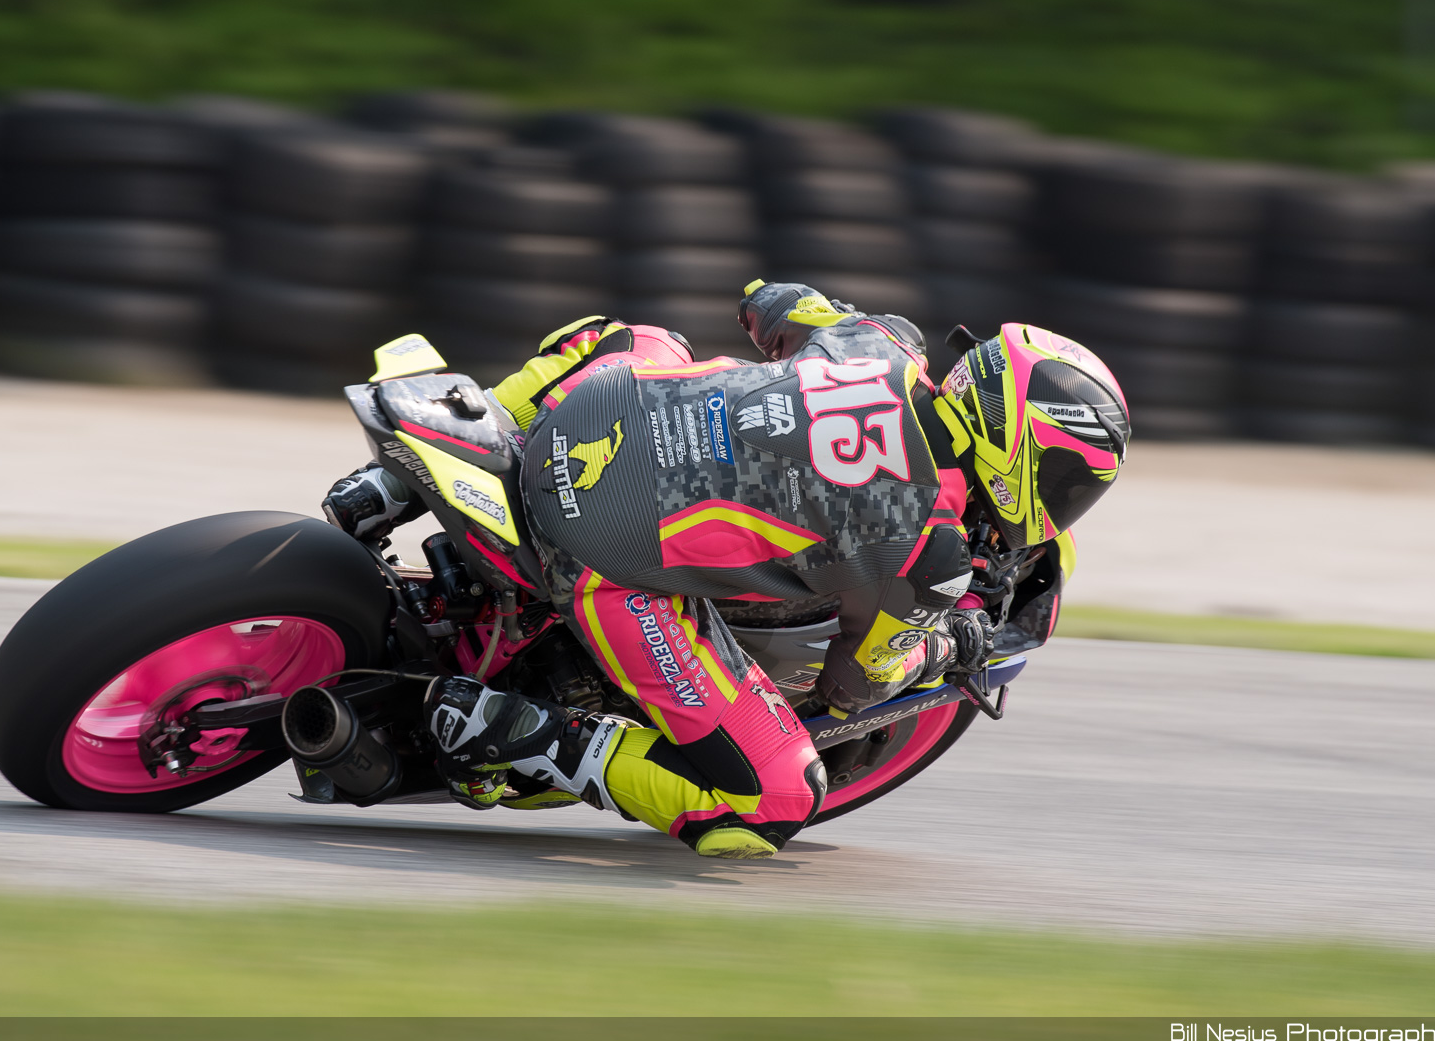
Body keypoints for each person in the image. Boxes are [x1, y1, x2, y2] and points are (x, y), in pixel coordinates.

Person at [423, 280, 1130, 859]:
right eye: (1071, 483)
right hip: (598, 561)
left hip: (573, 419)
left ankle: (456, 426)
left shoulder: (882, 340)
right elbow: (858, 685)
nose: (1068, 502)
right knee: (776, 800)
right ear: (1024, 453)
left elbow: (770, 300)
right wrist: (954, 644)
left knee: (640, 340)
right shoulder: (933, 552)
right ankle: (510, 730)